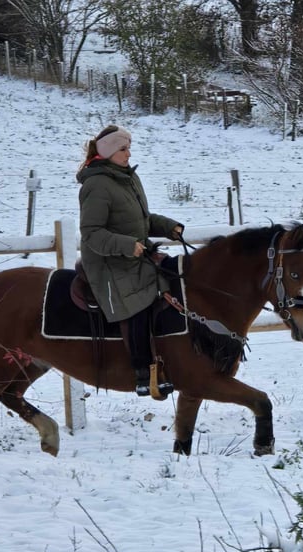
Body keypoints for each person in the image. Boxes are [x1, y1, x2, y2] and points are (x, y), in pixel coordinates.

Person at [77, 125, 184, 397]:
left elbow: (140, 221)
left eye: (128, 148)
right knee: (138, 301)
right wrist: (127, 245)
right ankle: (142, 372)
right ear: (109, 152)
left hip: (135, 253)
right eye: (123, 149)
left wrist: (169, 226)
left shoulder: (128, 178)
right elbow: (91, 233)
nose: (128, 153)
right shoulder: (96, 185)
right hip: (108, 262)